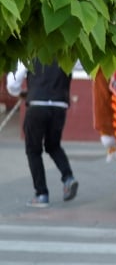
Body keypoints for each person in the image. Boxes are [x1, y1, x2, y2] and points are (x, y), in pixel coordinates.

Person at [7, 60, 78, 208]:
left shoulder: (31, 51)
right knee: (53, 145)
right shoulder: (67, 51)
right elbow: (84, 66)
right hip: (59, 105)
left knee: (33, 150)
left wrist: (20, 93)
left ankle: (41, 194)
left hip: (37, 104)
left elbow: (12, 82)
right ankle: (68, 177)